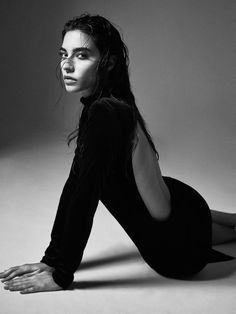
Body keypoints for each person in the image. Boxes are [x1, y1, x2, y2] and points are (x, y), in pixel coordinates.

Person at [0, 13, 235, 294]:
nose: (66, 64)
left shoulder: (107, 113)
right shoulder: (103, 107)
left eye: (82, 55)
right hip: (179, 217)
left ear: (108, 62)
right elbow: (75, 183)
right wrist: (51, 260)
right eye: (64, 54)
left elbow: (85, 194)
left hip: (175, 248)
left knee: (205, 226)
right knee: (214, 224)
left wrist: (62, 273)